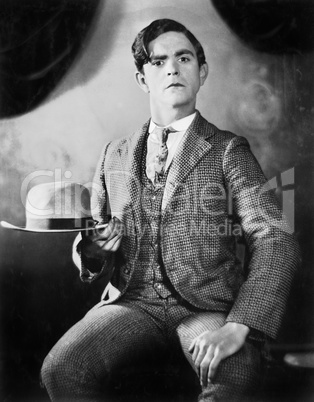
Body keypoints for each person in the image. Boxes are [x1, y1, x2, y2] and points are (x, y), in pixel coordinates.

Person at [41, 19, 301, 401]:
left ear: (202, 71)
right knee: (61, 368)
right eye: (158, 61)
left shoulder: (228, 150)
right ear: (143, 79)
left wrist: (241, 325)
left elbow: (276, 239)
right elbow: (94, 242)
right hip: (131, 304)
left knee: (234, 372)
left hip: (206, 308)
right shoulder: (113, 154)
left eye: (184, 58)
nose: (172, 69)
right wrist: (95, 248)